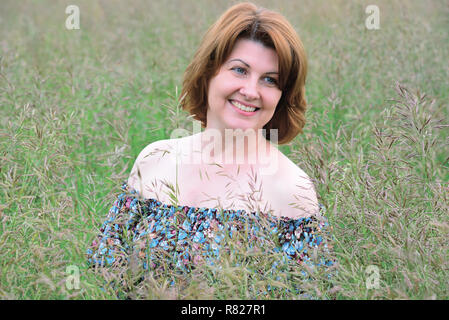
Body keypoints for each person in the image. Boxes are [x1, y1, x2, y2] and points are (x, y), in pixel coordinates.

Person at [87, 2, 335, 298]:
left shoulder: (293, 190)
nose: (251, 90)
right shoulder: (155, 160)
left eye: (270, 80)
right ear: (208, 73)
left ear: (282, 96)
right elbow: (104, 275)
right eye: (239, 70)